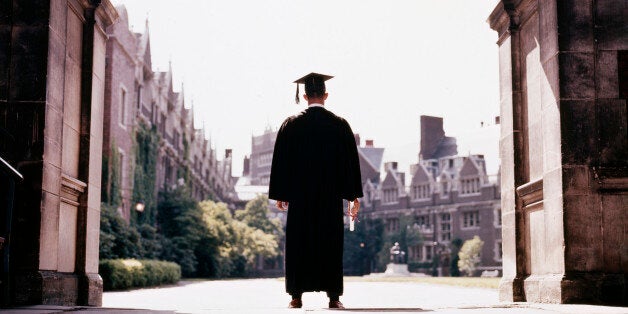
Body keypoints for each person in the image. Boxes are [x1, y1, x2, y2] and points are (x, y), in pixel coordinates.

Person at [269, 72, 363, 309]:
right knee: (329, 242)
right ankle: (333, 297)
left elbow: (281, 161)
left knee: (300, 242)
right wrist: (352, 197)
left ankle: (296, 296)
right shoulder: (340, 126)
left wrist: (282, 193)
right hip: (329, 198)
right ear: (326, 95)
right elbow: (350, 163)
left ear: (304, 95)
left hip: (300, 198)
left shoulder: (290, 125)